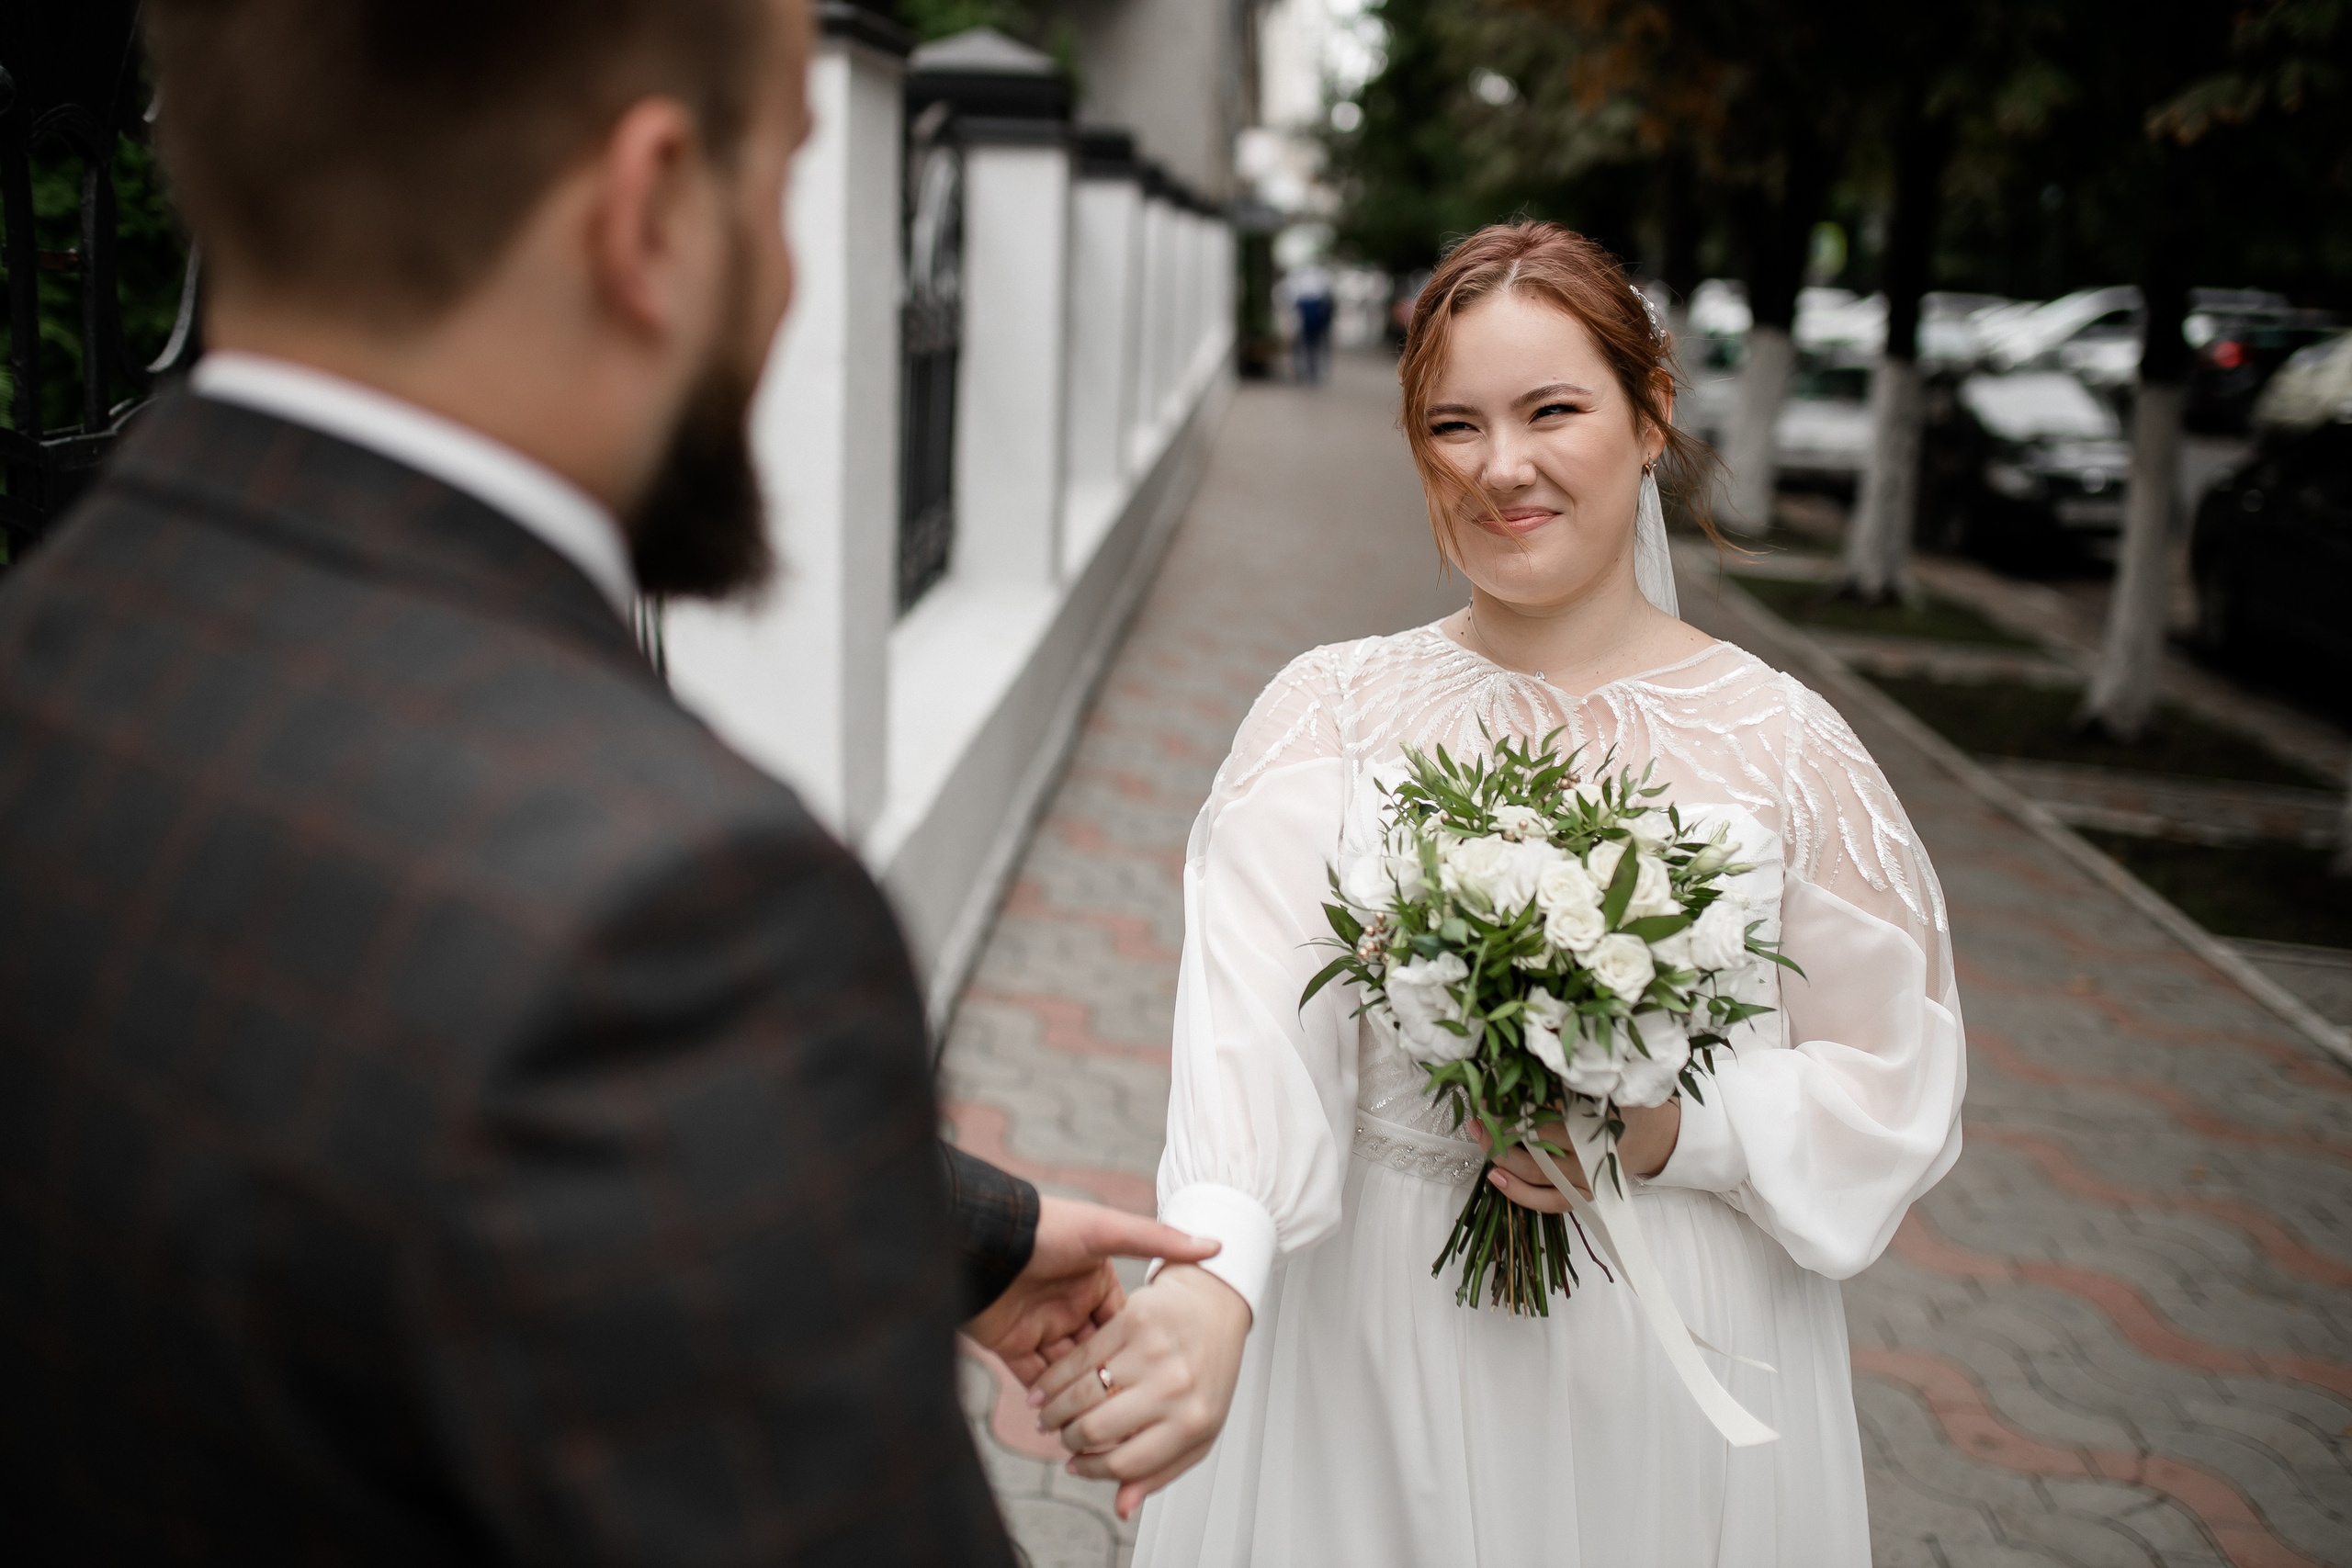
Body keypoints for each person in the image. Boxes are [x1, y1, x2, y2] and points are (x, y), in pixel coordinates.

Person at [0, 0, 1213, 1560]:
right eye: (780, 189)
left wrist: (943, 1228)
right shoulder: (685, 915)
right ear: (647, 213)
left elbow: (281, 1043)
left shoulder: (59, 654)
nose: (790, 284)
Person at [1028, 221, 1967, 1563]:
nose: (1501, 467)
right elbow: (1249, 1042)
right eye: (1454, 425)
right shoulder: (1329, 713)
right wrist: (1216, 1279)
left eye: (1551, 411)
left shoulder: (1786, 747)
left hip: (1672, 1349)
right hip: (1373, 1343)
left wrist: (1667, 1130)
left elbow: (1897, 1084)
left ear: (1651, 418)